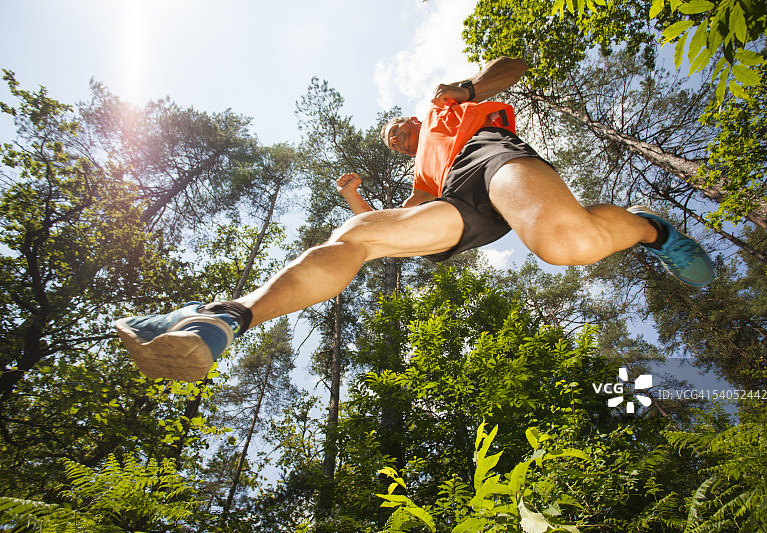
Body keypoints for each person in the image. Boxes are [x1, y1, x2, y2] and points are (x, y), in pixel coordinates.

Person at [115, 57, 713, 382]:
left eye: (398, 130)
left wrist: (463, 86)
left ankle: (651, 228)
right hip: (450, 200)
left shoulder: (444, 104)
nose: (398, 139)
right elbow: (398, 221)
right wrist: (356, 201)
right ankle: (224, 318)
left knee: (568, 244)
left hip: (489, 155)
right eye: (393, 142)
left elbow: (516, 63)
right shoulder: (420, 172)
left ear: (410, 119)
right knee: (359, 237)